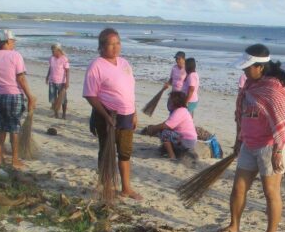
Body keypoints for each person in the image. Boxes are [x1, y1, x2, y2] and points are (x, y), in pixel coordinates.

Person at [219, 43, 285, 232]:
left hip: (269, 147)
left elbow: (280, 123)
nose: (244, 70)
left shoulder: (273, 89)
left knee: (270, 192)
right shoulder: (249, 86)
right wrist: (238, 140)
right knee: (238, 188)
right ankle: (233, 225)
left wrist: (278, 151)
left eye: (247, 67)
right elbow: (242, 116)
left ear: (260, 67)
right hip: (248, 145)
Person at [83, 28, 141, 200]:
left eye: (118, 43)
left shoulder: (124, 63)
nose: (115, 47)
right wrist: (106, 116)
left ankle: (126, 188)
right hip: (106, 114)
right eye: (110, 44)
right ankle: (106, 186)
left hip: (126, 114)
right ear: (101, 47)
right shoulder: (96, 66)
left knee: (125, 152)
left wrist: (135, 112)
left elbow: (129, 90)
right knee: (106, 151)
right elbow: (90, 94)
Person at [0, 29, 36, 168]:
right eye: (13, 41)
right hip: (12, 94)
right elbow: (20, 78)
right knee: (13, 127)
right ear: (7, 41)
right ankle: (15, 159)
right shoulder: (15, 56)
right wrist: (30, 97)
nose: (14, 43)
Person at [144, 91, 198, 161]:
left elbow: (166, 125)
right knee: (162, 130)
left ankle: (172, 156)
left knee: (165, 133)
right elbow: (167, 123)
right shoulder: (180, 111)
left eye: (169, 101)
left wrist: (153, 128)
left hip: (186, 140)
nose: (168, 103)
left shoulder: (179, 111)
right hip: (184, 138)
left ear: (175, 102)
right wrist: (154, 128)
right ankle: (170, 151)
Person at [45, 43, 70, 119]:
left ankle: (64, 115)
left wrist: (67, 82)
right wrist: (47, 76)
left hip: (62, 82)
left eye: (54, 50)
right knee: (53, 99)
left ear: (58, 50)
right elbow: (50, 68)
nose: (52, 52)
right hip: (52, 81)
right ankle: (56, 114)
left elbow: (67, 71)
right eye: (52, 51)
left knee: (63, 99)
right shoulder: (51, 58)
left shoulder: (64, 59)